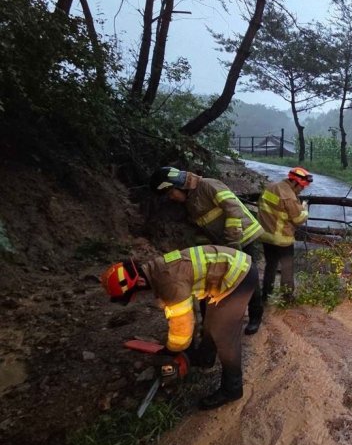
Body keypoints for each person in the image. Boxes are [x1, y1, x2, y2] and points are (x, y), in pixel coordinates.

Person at [100, 245, 258, 410]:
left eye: (133, 293)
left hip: (240, 276)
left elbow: (183, 325)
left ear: (139, 281)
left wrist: (172, 349)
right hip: (228, 274)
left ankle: (232, 389)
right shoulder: (155, 270)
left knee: (225, 336)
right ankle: (205, 358)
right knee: (211, 323)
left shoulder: (168, 282)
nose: (136, 297)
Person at [149, 167, 266, 334]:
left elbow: (234, 210)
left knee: (247, 275)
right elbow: (202, 228)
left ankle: (256, 315)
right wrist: (205, 251)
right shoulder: (190, 200)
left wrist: (233, 244)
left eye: (170, 193)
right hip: (223, 241)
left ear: (178, 185)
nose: (172, 198)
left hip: (242, 235)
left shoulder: (209, 185)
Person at [257, 166, 312, 312]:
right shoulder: (289, 196)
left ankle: (265, 294)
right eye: (302, 186)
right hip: (282, 238)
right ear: (294, 182)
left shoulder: (271, 187)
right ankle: (287, 297)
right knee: (287, 267)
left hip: (265, 235)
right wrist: (305, 208)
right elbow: (298, 219)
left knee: (271, 265)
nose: (302, 190)